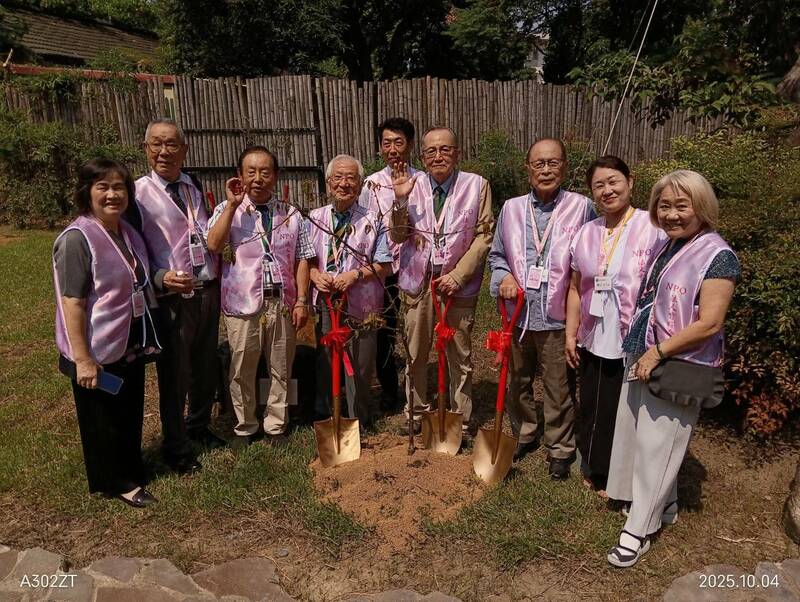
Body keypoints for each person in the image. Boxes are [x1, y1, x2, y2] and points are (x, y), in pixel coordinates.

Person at [605, 170, 739, 568]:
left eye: (683, 206)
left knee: (659, 445)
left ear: (702, 207)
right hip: (646, 352)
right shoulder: (672, 244)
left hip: (678, 362)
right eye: (665, 205)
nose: (672, 214)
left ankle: (639, 531)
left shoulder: (719, 256)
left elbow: (710, 322)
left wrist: (657, 352)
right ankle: (666, 505)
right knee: (643, 438)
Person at [53, 158, 161, 508]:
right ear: (87, 193)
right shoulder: (77, 239)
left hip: (125, 337)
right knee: (102, 416)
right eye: (103, 187)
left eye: (119, 187)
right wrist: (82, 357)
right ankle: (116, 481)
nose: (113, 194)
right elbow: (73, 303)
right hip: (95, 346)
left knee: (127, 408)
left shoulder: (124, 230)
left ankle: (131, 466)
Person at [488, 138, 594, 479]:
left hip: (557, 314)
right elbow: (497, 255)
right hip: (518, 313)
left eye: (553, 163)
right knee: (516, 381)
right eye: (539, 164)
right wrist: (503, 276)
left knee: (558, 384)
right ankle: (525, 432)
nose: (546, 170)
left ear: (563, 166)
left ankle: (560, 447)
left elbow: (592, 259)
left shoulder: (582, 208)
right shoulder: (511, 208)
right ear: (527, 168)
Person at [126, 118, 224, 475]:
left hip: (206, 289)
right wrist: (158, 277)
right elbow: (130, 249)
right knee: (176, 373)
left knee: (205, 366)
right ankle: (176, 444)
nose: (164, 151)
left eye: (171, 144)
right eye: (156, 144)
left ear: (184, 149)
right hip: (172, 297)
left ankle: (198, 425)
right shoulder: (136, 194)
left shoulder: (191, 185)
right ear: (146, 148)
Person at [565, 156, 666, 496]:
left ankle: (625, 473)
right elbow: (577, 287)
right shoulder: (587, 232)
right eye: (599, 185)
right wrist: (570, 333)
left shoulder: (653, 229)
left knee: (627, 407)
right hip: (595, 333)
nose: (607, 190)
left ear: (630, 182)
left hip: (635, 335)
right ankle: (595, 466)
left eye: (613, 182)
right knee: (595, 403)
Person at [390, 126, 494, 437]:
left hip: (458, 285)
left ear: (457, 153)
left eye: (445, 149)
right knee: (416, 349)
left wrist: (458, 276)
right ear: (422, 157)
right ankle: (416, 412)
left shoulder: (477, 186)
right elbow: (397, 236)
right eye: (431, 151)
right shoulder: (411, 185)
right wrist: (399, 202)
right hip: (419, 283)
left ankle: (459, 417)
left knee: (458, 353)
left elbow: (484, 235)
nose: (438, 156)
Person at [207, 146, 314, 444]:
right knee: (242, 368)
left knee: (281, 366)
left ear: (275, 176)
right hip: (242, 305)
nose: (258, 178)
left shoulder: (290, 214)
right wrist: (230, 205)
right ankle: (246, 425)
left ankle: (276, 424)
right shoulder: (228, 210)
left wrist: (302, 299)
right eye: (251, 172)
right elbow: (214, 245)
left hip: (282, 301)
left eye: (265, 172)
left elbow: (302, 258)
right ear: (240, 175)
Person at [309, 154, 393, 427]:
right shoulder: (315, 217)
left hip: (362, 303)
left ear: (360, 184)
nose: (344, 184)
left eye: (351, 178)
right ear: (329, 182)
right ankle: (326, 415)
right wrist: (315, 276)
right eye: (338, 178)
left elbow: (384, 265)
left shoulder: (373, 219)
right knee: (326, 360)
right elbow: (307, 260)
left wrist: (355, 275)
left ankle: (359, 419)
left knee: (360, 362)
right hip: (327, 300)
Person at [359, 117, 417, 413]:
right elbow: (365, 226)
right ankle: (390, 391)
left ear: (410, 145)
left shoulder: (421, 181)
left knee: (414, 330)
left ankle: (417, 390)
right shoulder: (371, 183)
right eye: (386, 143)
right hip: (383, 270)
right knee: (384, 331)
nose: (392, 149)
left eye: (399, 142)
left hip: (414, 267)